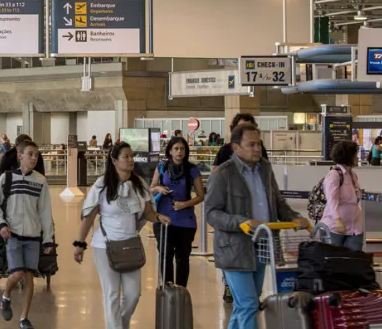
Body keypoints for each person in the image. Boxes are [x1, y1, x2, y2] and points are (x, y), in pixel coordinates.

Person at [206, 124, 309, 329]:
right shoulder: (223, 174)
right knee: (249, 304)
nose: (256, 149)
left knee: (245, 305)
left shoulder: (265, 169)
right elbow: (211, 213)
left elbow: (277, 202)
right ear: (236, 148)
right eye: (250, 144)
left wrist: (295, 217)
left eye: (258, 144)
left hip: (262, 245)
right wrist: (240, 222)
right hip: (234, 249)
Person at [74, 142, 170, 329]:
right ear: (114, 160)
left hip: (130, 245)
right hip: (105, 246)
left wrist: (158, 217)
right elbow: (89, 216)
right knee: (112, 294)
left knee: (133, 294)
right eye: (125, 156)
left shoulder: (139, 184)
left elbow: (147, 212)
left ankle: (121, 324)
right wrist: (79, 244)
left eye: (131, 156)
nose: (130, 160)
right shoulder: (102, 184)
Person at [0, 141, 55, 329]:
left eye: (36, 155)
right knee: (17, 273)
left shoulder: (40, 181)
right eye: (30, 154)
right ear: (20, 156)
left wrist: (48, 238)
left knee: (29, 277)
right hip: (13, 234)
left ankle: (24, 318)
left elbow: (45, 212)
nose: (34, 158)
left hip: (33, 235)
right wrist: (1, 225)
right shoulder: (6, 178)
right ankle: (6, 295)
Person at [150, 136, 205, 288]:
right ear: (170, 151)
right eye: (176, 149)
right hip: (163, 219)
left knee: (182, 257)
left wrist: (184, 204)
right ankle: (167, 288)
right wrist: (158, 188)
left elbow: (201, 196)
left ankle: (181, 289)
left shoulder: (192, 170)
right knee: (165, 255)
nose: (179, 152)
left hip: (185, 220)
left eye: (182, 149)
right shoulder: (162, 167)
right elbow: (151, 188)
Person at [319, 140, 363, 251]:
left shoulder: (353, 175)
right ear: (348, 157)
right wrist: (338, 220)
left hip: (354, 228)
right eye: (355, 155)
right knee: (334, 261)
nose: (358, 158)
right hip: (334, 227)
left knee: (354, 261)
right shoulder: (334, 175)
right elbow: (332, 200)